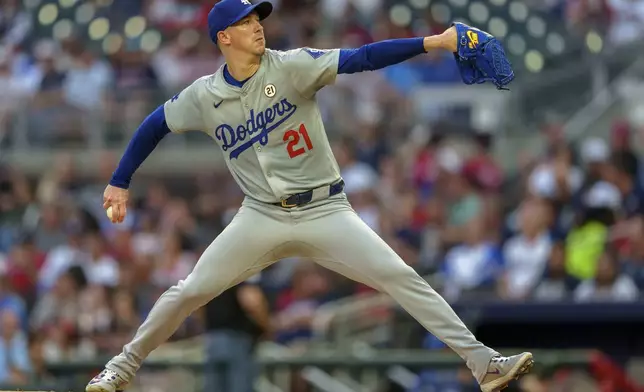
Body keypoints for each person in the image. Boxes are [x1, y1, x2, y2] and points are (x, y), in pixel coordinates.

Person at [85, 1, 533, 392]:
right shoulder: (205, 96)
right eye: (245, 21)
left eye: (258, 17)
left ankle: (484, 364)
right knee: (189, 291)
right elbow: (154, 124)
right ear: (224, 37)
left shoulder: (292, 65)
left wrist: (435, 41)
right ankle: (118, 371)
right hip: (260, 216)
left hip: (325, 208)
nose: (258, 25)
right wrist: (120, 179)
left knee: (401, 276)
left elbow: (362, 57)